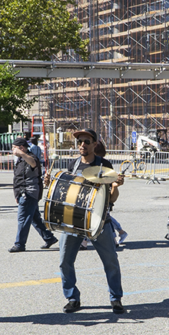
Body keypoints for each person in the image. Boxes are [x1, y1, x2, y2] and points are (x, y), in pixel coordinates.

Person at [56, 128, 126, 314]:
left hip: (100, 220)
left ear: (95, 144)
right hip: (75, 219)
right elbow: (65, 193)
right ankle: (72, 298)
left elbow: (112, 199)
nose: (82, 145)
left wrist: (116, 186)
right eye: (80, 142)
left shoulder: (104, 165)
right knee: (65, 261)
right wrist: (50, 183)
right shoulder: (73, 165)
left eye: (87, 141)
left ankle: (116, 299)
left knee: (110, 261)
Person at [8, 137, 57, 253]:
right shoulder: (20, 160)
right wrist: (16, 194)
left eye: (14, 148)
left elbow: (33, 163)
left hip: (29, 192)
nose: (12, 150)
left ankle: (19, 244)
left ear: (22, 148)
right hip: (22, 192)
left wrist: (21, 153)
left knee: (23, 218)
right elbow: (18, 178)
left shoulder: (30, 157)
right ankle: (49, 238)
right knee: (34, 218)